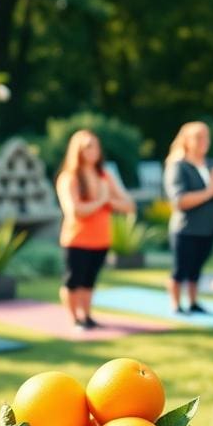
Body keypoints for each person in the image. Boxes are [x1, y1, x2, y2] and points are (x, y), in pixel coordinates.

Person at [56, 129, 134, 328]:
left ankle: (87, 315)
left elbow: (128, 205)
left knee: (89, 281)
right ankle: (75, 318)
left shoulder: (105, 176)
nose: (93, 151)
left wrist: (107, 200)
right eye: (88, 147)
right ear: (78, 150)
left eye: (95, 146)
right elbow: (75, 211)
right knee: (73, 281)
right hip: (77, 239)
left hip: (101, 239)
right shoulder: (69, 177)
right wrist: (102, 200)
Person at [164, 121, 213, 313]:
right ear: (187, 140)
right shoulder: (179, 166)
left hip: (209, 227)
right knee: (180, 269)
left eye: (206, 137)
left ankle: (193, 302)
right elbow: (179, 201)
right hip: (186, 229)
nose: (204, 141)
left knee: (196, 269)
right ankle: (176, 304)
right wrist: (210, 192)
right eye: (198, 137)